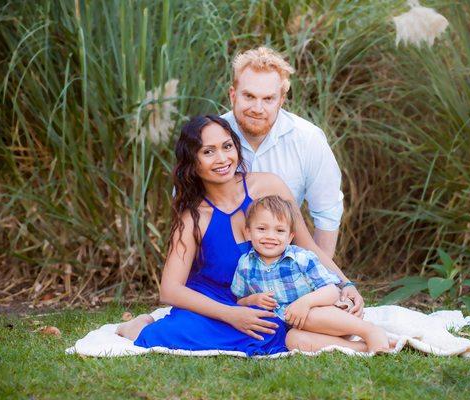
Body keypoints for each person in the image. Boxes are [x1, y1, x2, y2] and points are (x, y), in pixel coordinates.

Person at [116, 115, 368, 354]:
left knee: (282, 321)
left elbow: (306, 244)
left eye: (227, 146)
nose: (222, 158)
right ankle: (138, 325)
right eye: (208, 151)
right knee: (175, 333)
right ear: (192, 162)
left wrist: (345, 284)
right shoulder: (194, 217)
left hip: (268, 296)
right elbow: (169, 290)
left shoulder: (269, 186)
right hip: (215, 302)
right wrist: (231, 314)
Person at [221, 47, 342, 260]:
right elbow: (187, 207)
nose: (257, 108)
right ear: (233, 95)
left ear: (281, 100)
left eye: (268, 99)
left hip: (282, 259)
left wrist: (319, 276)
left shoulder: (308, 139)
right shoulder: (210, 137)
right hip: (220, 259)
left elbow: (327, 213)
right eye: (249, 96)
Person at [232, 196, 391, 353]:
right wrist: (252, 300)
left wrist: (305, 303)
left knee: (310, 315)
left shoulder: (301, 258)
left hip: (334, 318)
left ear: (290, 236)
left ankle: (370, 331)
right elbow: (239, 301)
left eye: (279, 230)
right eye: (261, 229)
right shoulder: (245, 265)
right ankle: (360, 348)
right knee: (293, 340)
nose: (270, 236)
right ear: (248, 232)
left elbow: (332, 291)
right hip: (301, 327)